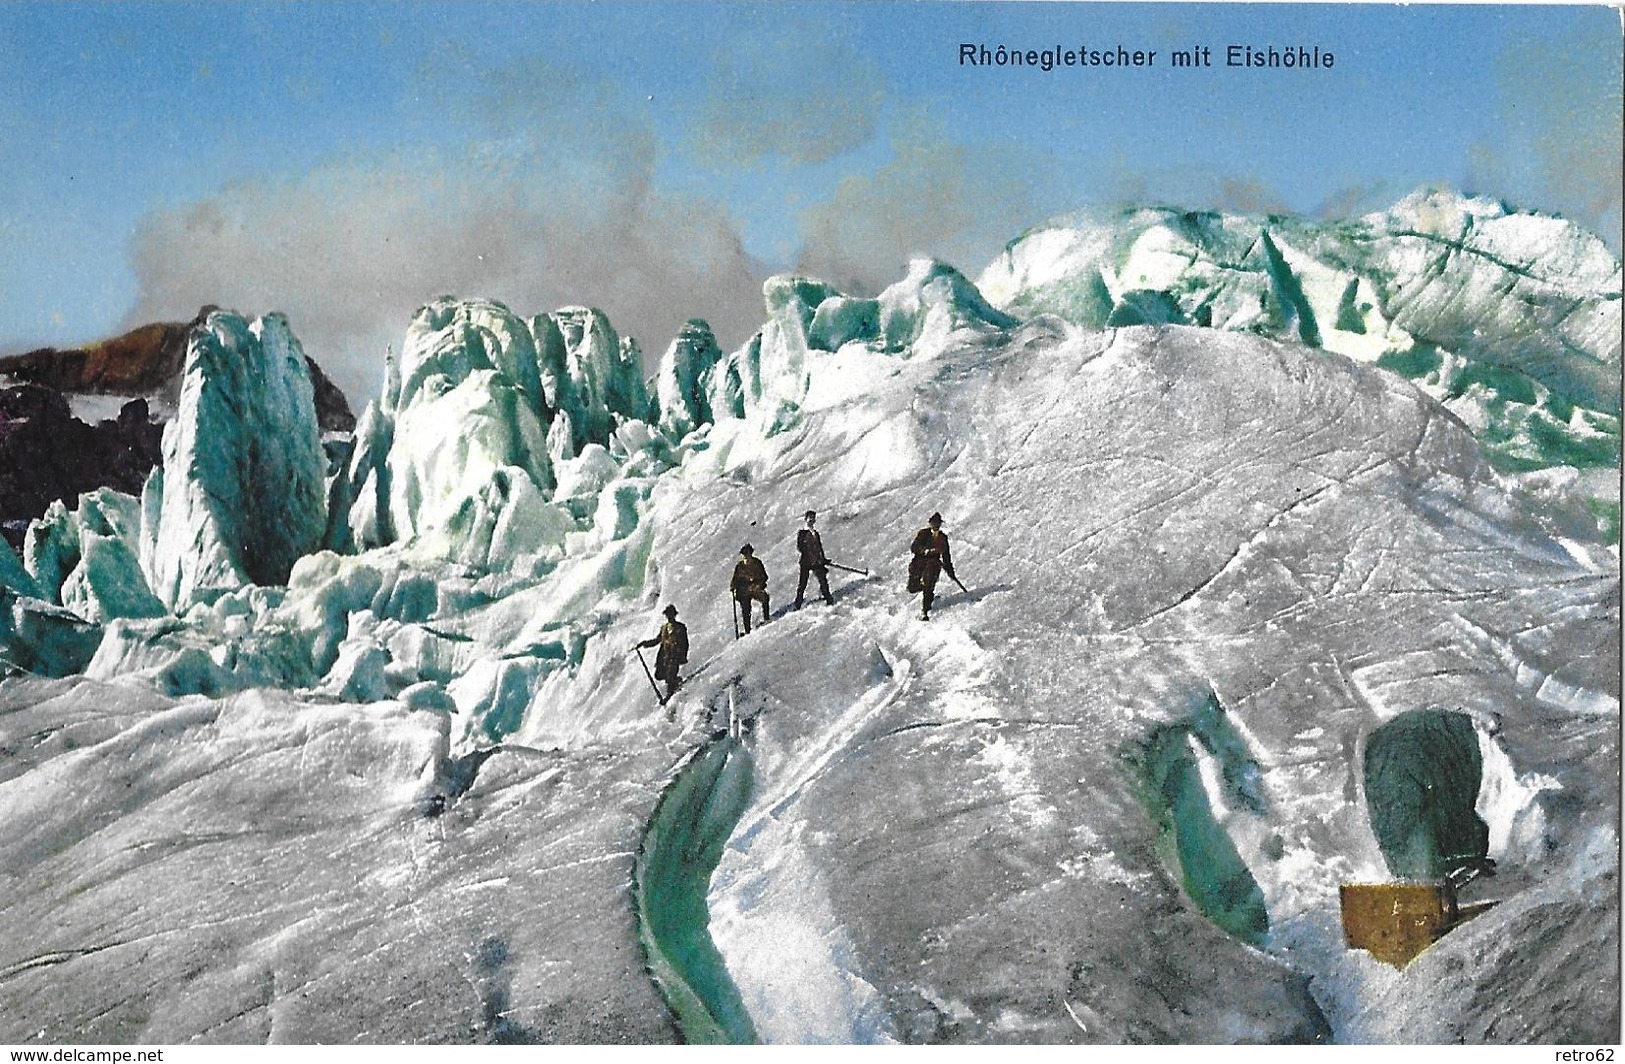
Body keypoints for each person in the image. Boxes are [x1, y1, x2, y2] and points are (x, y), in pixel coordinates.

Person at [907, 512, 957, 620]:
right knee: (912, 587)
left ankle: (926, 610)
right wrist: (925, 551)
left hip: (933, 566)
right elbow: (914, 548)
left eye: (938, 524)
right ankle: (925, 590)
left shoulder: (943, 538)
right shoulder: (923, 534)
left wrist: (950, 571)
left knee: (929, 585)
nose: (936, 526)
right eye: (934, 523)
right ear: (930, 523)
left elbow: (946, 556)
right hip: (919, 563)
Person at [635, 604, 688, 701]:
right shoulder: (663, 628)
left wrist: (683, 656)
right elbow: (657, 640)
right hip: (663, 655)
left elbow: (685, 643)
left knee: (670, 675)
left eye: (671, 614)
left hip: (674, 655)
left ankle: (669, 694)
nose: (669, 616)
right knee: (658, 675)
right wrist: (644, 644)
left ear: (674, 615)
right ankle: (676, 681)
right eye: (667, 614)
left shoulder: (680, 627)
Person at [794, 510, 835, 609]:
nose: (811, 520)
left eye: (813, 518)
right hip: (806, 562)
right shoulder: (802, 533)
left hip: (817, 562)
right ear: (805, 519)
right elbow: (800, 548)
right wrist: (811, 556)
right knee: (803, 583)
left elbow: (819, 548)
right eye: (809, 518)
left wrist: (823, 559)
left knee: (823, 580)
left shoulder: (815, 533)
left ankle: (829, 600)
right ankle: (797, 604)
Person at [730, 544, 771, 633]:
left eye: (747, 554)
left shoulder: (757, 563)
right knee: (746, 609)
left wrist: (758, 585)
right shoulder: (739, 567)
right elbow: (735, 580)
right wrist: (733, 587)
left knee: (765, 598)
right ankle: (747, 629)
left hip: (755, 588)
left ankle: (767, 619)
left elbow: (764, 577)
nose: (746, 557)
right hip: (744, 591)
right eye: (744, 555)